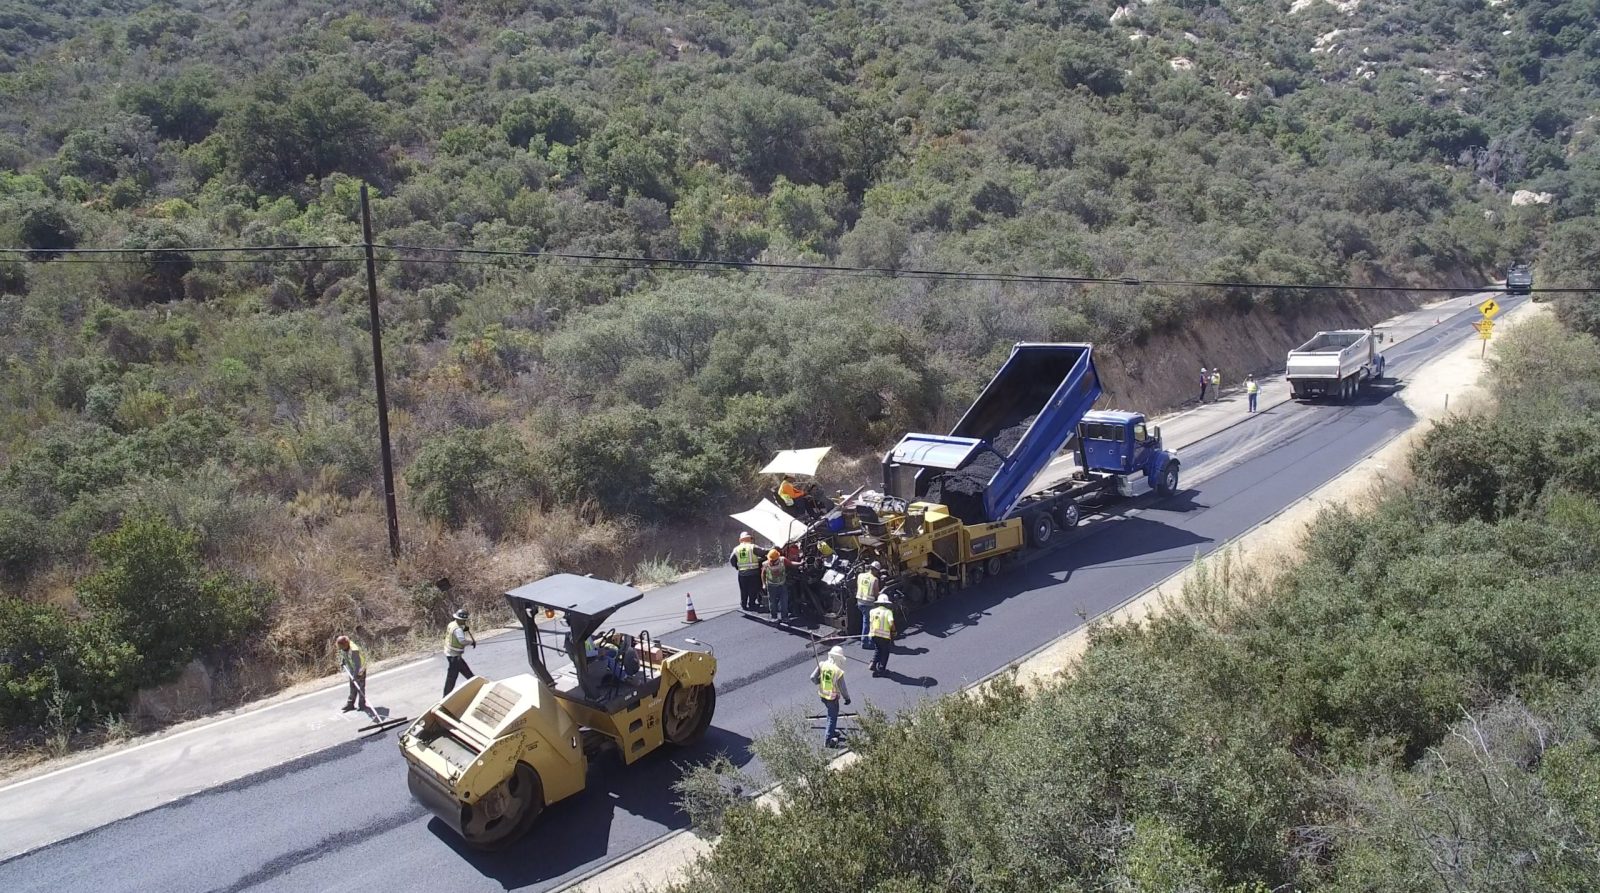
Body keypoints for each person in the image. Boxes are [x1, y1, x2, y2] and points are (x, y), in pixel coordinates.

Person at [809, 644, 852, 747]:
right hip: (832, 698)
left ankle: (831, 731)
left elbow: (812, 677)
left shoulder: (822, 664)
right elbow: (843, 688)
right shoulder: (838, 671)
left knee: (830, 714)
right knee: (832, 717)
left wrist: (819, 681)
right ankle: (828, 740)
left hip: (823, 695)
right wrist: (847, 698)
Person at [442, 608, 477, 697]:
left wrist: (464, 628)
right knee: (452, 678)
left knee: (467, 673)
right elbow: (462, 641)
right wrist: (471, 642)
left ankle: (477, 686)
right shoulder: (458, 630)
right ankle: (445, 697)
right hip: (454, 656)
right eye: (464, 620)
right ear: (461, 620)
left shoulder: (452, 624)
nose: (464, 622)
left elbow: (460, 628)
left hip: (450, 653)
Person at [729, 532, 763, 611]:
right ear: (750, 538)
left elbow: (732, 560)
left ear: (740, 540)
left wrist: (737, 567)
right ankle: (752, 604)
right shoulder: (753, 547)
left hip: (742, 574)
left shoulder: (736, 549)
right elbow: (763, 552)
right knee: (753, 589)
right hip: (754, 573)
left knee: (743, 590)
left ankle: (743, 604)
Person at [336, 635, 368, 713]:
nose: (339, 647)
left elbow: (358, 665)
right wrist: (343, 661)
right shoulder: (343, 647)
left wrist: (355, 676)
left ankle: (362, 704)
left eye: (340, 646)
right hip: (352, 668)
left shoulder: (354, 650)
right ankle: (350, 704)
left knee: (360, 687)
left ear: (345, 644)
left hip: (360, 669)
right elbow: (344, 654)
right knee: (352, 686)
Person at [868, 593, 897, 676]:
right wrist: (894, 631)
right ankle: (881, 670)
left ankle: (873, 664)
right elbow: (891, 623)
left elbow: (871, 622)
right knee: (885, 652)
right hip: (884, 636)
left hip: (874, 634)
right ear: (886, 604)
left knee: (878, 649)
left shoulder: (872, 611)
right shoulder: (888, 612)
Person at [856, 562, 881, 648]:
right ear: (875, 570)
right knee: (870, 623)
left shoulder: (860, 576)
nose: (877, 573)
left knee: (866, 621)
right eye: (877, 571)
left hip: (859, 602)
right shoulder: (875, 580)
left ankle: (867, 641)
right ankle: (867, 642)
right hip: (868, 603)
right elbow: (876, 594)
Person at [762, 548, 790, 620]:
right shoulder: (767, 563)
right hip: (775, 585)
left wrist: (764, 584)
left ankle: (779, 617)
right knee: (777, 601)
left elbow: (791, 564)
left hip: (777, 584)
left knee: (779, 601)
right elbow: (763, 574)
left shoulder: (781, 560)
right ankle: (779, 617)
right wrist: (764, 584)